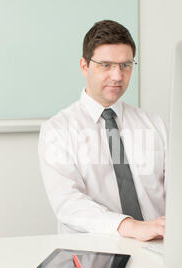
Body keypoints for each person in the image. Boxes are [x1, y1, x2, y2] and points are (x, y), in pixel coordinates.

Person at [38, 20, 167, 241]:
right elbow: (68, 203)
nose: (117, 76)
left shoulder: (154, 124)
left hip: (157, 246)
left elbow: (181, 189)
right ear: (84, 66)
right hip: (93, 251)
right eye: (106, 65)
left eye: (125, 65)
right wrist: (129, 226)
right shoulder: (57, 130)